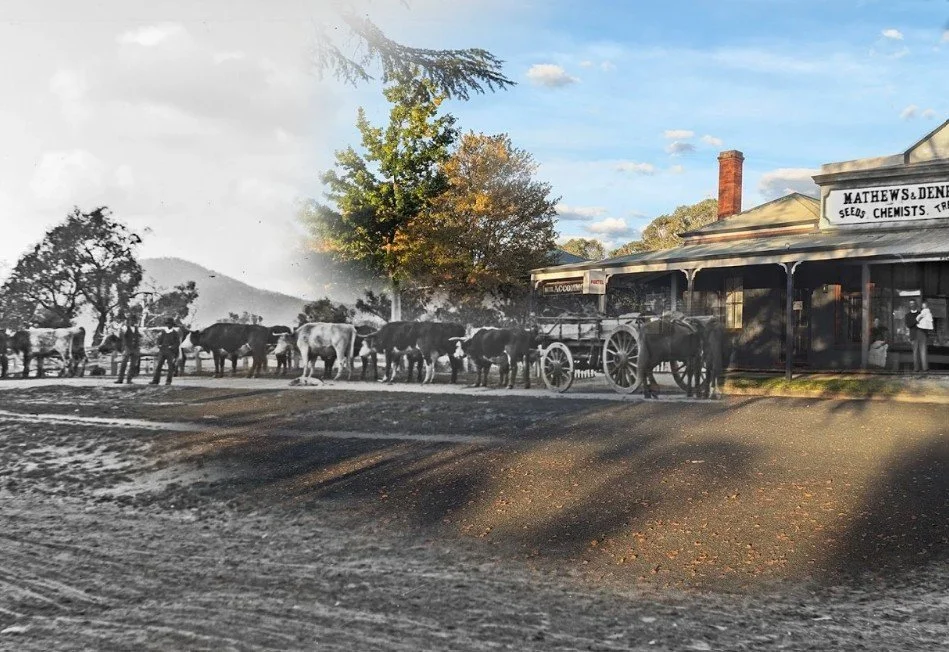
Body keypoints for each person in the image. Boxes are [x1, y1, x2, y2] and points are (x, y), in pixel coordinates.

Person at [150, 317, 181, 385]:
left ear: (172, 325)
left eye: (170, 324)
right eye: (167, 323)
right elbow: (159, 340)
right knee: (159, 366)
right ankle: (155, 381)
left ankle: (168, 381)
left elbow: (177, 343)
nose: (169, 325)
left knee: (170, 367)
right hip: (162, 351)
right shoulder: (163, 332)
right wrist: (159, 345)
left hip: (170, 352)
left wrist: (172, 347)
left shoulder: (175, 333)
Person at [916, 300, 934, 372]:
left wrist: (918, 319)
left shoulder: (925, 312)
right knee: (923, 350)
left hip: (921, 331)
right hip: (924, 331)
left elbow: (918, 318)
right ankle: (924, 367)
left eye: (923, 305)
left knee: (921, 350)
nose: (923, 307)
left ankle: (923, 367)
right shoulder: (928, 312)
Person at [904, 299, 922, 372]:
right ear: (909, 305)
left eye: (913, 303)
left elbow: (924, 324)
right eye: (911, 304)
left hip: (921, 335)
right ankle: (916, 368)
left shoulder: (920, 313)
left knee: (922, 352)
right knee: (915, 353)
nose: (912, 305)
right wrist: (917, 321)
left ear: (916, 304)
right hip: (914, 336)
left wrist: (914, 323)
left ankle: (922, 367)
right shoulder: (907, 315)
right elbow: (909, 325)